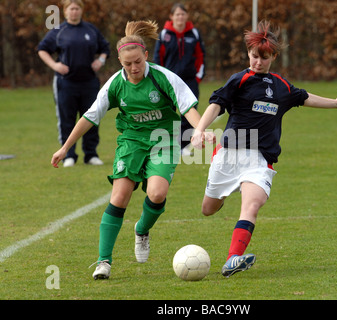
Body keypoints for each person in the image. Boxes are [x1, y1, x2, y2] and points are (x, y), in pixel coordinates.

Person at [51, 20, 213, 280]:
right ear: (119, 60)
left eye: (138, 61)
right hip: (131, 141)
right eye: (127, 64)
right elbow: (89, 117)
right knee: (119, 197)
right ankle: (104, 261)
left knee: (157, 193)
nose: (134, 68)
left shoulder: (164, 77)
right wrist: (65, 148)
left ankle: (141, 230)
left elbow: (188, 109)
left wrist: (200, 130)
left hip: (163, 139)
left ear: (146, 55)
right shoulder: (116, 84)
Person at [191, 20, 337, 278]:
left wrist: (335, 103)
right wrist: (199, 130)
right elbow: (216, 104)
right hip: (228, 155)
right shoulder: (239, 79)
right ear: (248, 54)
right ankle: (224, 192)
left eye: (264, 58)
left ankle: (232, 258)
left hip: (259, 159)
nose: (257, 62)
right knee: (208, 209)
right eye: (254, 56)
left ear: (273, 57)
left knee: (252, 205)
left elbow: (305, 97)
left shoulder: (281, 86)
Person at [38, 0, 110, 167]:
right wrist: (54, 65)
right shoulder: (58, 31)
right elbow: (42, 49)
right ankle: (69, 155)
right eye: (71, 8)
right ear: (65, 11)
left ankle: (91, 154)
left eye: (77, 8)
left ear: (81, 11)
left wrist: (100, 60)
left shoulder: (91, 30)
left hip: (89, 83)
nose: (74, 11)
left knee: (92, 117)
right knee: (67, 119)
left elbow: (106, 48)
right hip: (66, 84)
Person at [154, 3, 205, 155]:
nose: (180, 17)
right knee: (168, 113)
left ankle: (183, 146)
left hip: (190, 81)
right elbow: (158, 58)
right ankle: (166, 145)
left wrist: (197, 78)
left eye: (183, 14)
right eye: (177, 14)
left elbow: (201, 56)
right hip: (169, 82)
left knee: (189, 113)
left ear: (187, 16)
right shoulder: (164, 34)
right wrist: (160, 80)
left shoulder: (194, 33)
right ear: (172, 17)